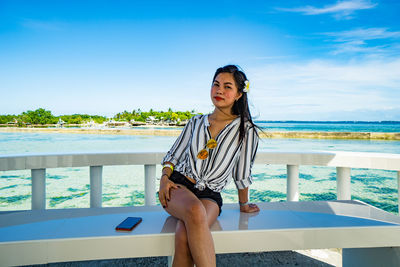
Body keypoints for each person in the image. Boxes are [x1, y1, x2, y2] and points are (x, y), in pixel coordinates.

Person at [158, 64, 260, 267]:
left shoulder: (245, 130)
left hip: (210, 195)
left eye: (227, 86)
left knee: (184, 234)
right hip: (178, 186)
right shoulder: (194, 122)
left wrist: (243, 205)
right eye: (216, 84)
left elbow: (241, 173)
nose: (219, 90)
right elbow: (173, 156)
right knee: (195, 212)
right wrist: (164, 179)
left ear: (239, 94)